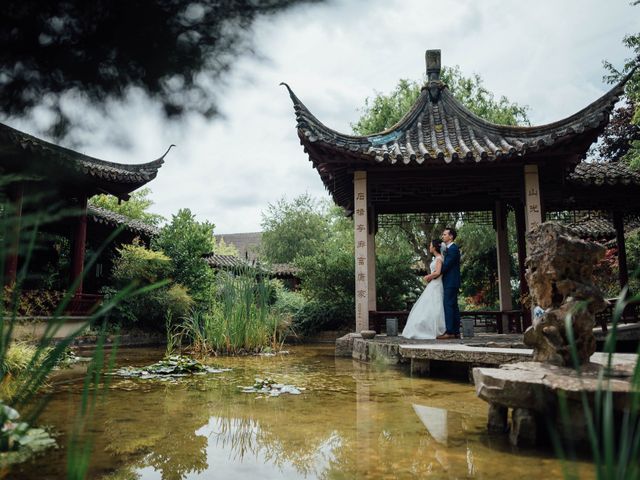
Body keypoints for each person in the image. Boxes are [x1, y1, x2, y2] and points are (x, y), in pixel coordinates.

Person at [401, 239, 446, 339]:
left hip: (436, 284)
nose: (429, 247)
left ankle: (434, 329)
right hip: (433, 284)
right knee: (429, 306)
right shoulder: (437, 258)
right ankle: (426, 328)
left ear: (434, 247)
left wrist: (428, 277)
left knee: (435, 306)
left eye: (430, 245)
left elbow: (438, 272)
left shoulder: (439, 258)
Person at [437, 227, 461, 339]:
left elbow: (446, 266)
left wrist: (435, 273)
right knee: (453, 306)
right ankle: (455, 331)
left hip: (451, 282)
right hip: (451, 282)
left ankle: (450, 332)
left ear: (451, 236)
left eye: (445, 234)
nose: (443, 236)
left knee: (448, 305)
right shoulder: (448, 249)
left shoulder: (453, 249)